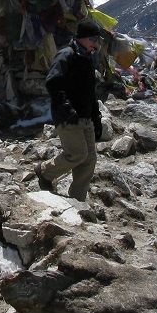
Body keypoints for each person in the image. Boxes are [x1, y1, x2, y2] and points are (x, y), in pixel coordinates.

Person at [38, 17, 106, 202]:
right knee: (77, 154)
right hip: (68, 116)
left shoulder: (88, 58)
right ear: (82, 38)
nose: (95, 44)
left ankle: (78, 199)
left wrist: (96, 117)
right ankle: (45, 172)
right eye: (93, 39)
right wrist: (66, 108)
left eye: (96, 40)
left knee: (89, 158)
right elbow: (53, 82)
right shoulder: (66, 55)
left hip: (85, 116)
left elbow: (90, 92)